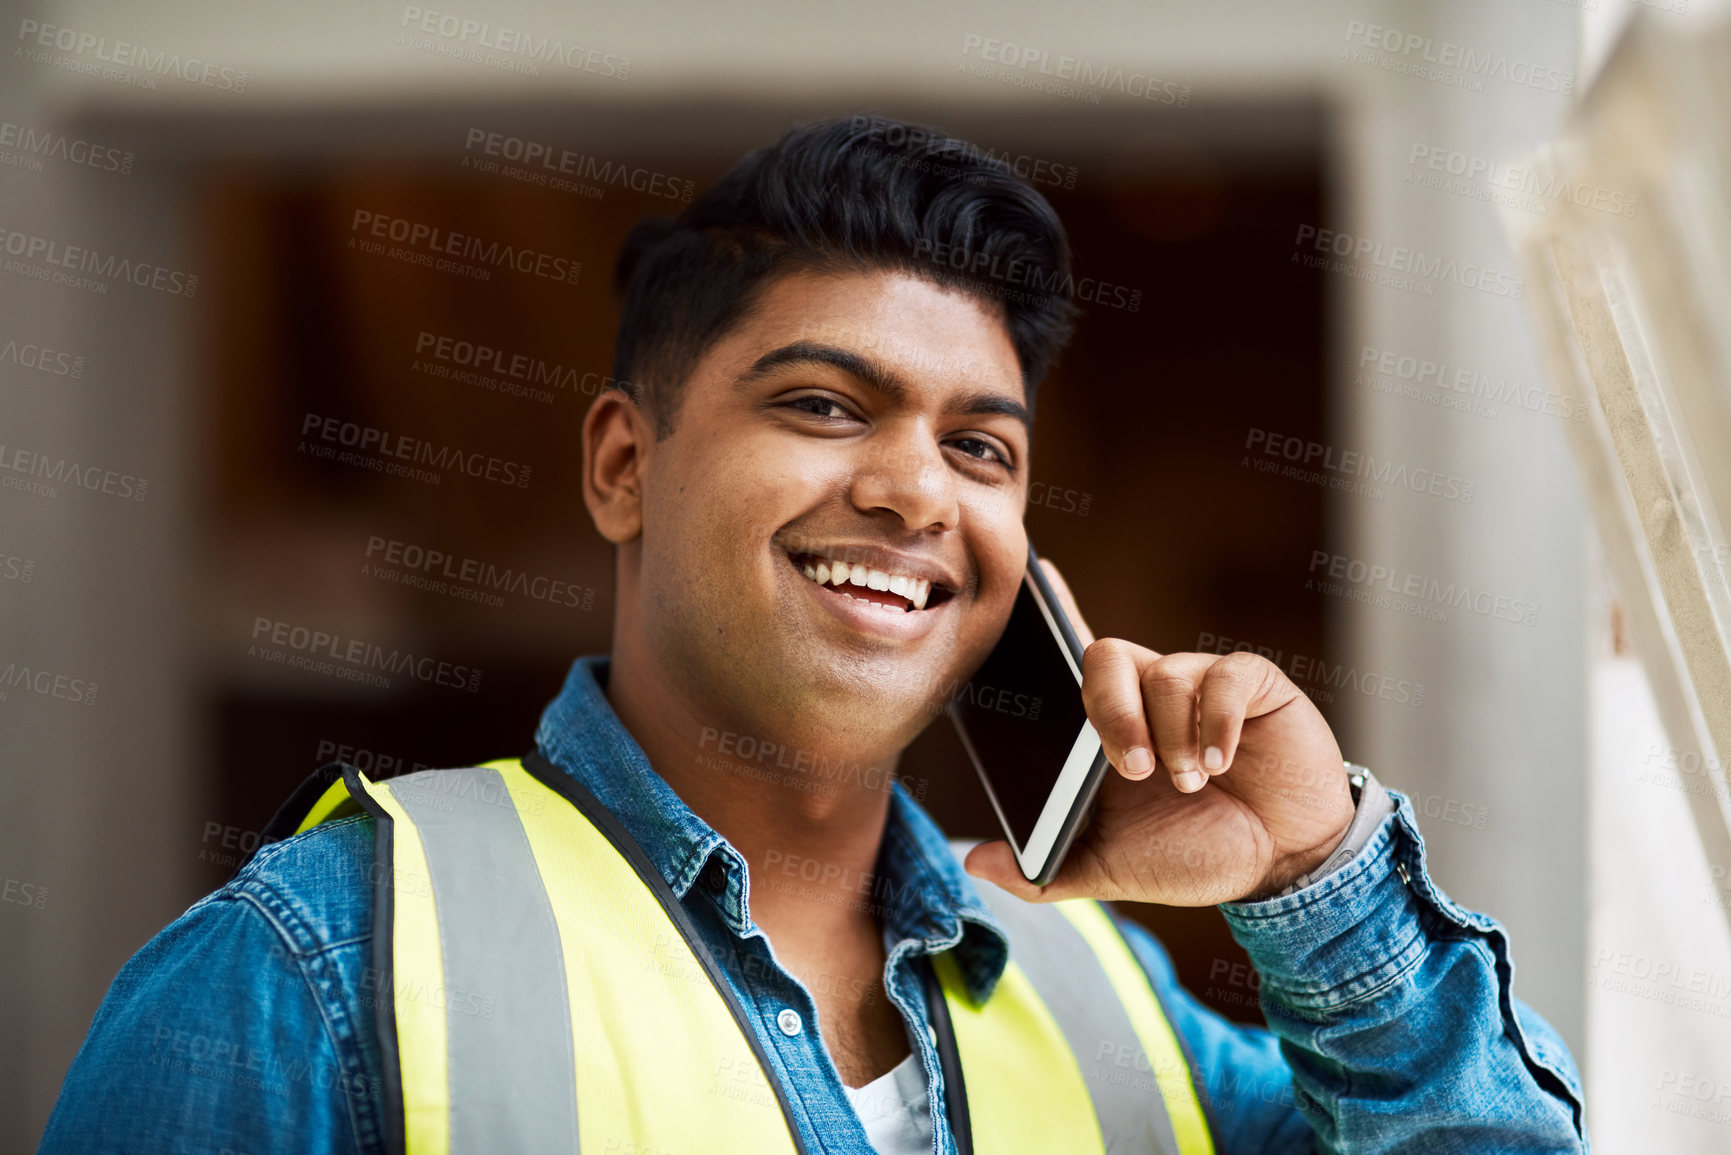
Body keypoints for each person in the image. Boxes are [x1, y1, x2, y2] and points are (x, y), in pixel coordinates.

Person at [40, 113, 1588, 1154]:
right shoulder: (298, 976)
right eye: (825, 405)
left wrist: (1319, 879)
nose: (917, 488)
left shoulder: (1118, 1013)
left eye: (982, 448)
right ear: (623, 465)